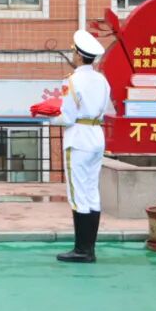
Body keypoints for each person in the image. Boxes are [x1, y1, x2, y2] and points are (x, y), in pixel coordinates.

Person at [55, 29, 110, 263]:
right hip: (96, 135)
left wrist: (49, 116)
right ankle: (90, 248)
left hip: (78, 138)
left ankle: (81, 249)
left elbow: (66, 116)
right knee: (91, 192)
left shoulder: (72, 81)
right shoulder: (102, 80)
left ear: (78, 55)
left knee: (78, 193)